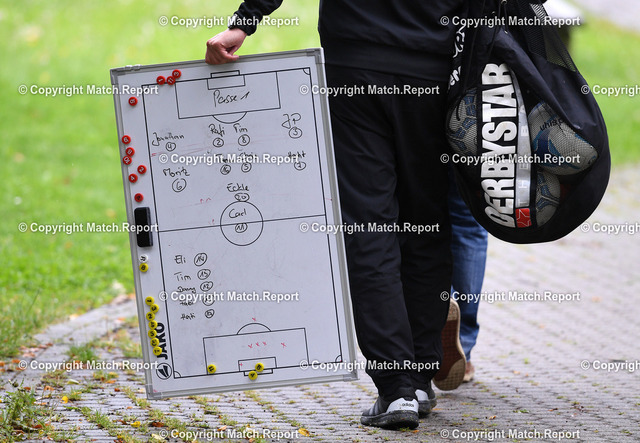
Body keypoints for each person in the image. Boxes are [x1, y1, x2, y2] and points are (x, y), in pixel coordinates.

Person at [206, 0, 465, 430]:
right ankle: (419, 380)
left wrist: (245, 22)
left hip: (353, 63)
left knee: (368, 227)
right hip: (431, 69)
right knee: (426, 225)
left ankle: (397, 388)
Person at [433, 170, 488, 390]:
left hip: (420, 148)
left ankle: (437, 317)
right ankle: (463, 347)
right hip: (468, 150)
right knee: (469, 224)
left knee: (425, 219)